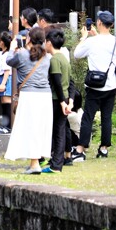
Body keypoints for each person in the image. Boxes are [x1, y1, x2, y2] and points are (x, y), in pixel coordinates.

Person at [71, 10, 116, 161]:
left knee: (88, 117)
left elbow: (76, 54)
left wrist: (84, 38)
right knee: (106, 117)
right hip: (110, 85)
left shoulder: (92, 42)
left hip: (94, 86)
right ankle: (104, 149)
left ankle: (81, 149)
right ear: (111, 24)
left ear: (98, 23)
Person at [4, 27, 52, 174]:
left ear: (29, 39)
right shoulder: (47, 57)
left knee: (29, 128)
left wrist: (12, 48)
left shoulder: (22, 54)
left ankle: (34, 164)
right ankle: (35, 161)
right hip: (45, 95)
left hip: (29, 95)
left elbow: (8, 61)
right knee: (40, 129)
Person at [42, 29, 72, 173]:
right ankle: (56, 164)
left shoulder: (54, 59)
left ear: (49, 43)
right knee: (60, 130)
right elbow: (71, 82)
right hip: (65, 98)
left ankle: (54, 163)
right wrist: (69, 101)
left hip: (56, 99)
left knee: (55, 131)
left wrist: (61, 102)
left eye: (45, 42)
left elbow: (57, 82)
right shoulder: (64, 58)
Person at [0, 31, 14, 134]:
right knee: (4, 103)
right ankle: (4, 126)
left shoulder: (7, 55)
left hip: (6, 79)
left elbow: (7, 70)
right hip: (3, 79)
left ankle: (7, 127)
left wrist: (3, 83)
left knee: (7, 103)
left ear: (3, 42)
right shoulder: (2, 53)